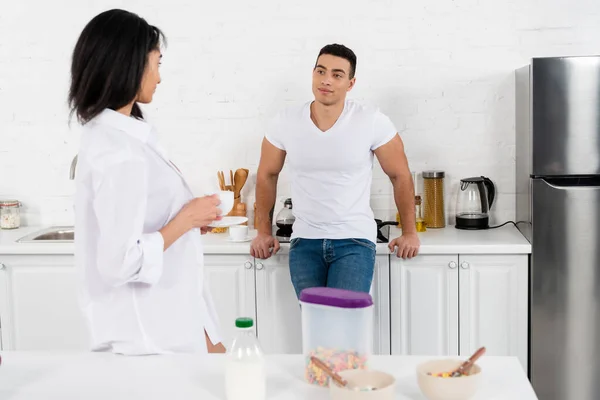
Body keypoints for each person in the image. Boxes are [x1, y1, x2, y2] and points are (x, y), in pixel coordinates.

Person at [70, 9, 225, 355]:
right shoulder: (119, 151)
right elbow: (118, 262)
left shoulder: (121, 138)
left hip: (170, 313)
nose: (159, 77)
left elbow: (141, 223)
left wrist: (188, 221)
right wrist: (185, 220)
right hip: (149, 331)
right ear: (130, 64)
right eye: (157, 63)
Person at [250, 44, 420, 299]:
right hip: (304, 242)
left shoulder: (371, 120)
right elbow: (266, 175)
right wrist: (262, 232)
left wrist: (409, 232)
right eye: (321, 71)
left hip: (354, 241)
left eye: (337, 75)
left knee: (343, 329)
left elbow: (400, 175)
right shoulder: (285, 121)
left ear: (350, 84)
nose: (326, 80)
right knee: (314, 328)